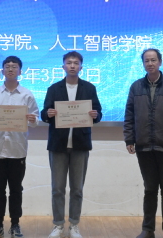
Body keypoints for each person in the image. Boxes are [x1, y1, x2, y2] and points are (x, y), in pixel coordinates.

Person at [123, 48, 163, 238]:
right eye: (146, 60)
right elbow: (129, 115)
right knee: (150, 189)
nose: (150, 63)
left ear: (160, 62)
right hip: (143, 146)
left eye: (153, 60)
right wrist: (129, 138)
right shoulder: (136, 87)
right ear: (143, 63)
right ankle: (148, 229)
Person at [40, 51, 102, 238]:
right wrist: (48, 114)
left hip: (80, 145)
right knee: (57, 189)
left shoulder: (89, 88)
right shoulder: (54, 88)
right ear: (63, 66)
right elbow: (44, 113)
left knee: (77, 189)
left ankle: (74, 224)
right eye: (69, 62)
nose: (72, 66)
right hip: (58, 145)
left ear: (81, 67)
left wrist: (95, 115)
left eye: (76, 63)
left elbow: (98, 113)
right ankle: (58, 224)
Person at [0, 56, 40, 238]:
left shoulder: (27, 95)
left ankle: (15, 224)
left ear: (20, 71)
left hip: (17, 150)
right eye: (7, 66)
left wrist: (32, 119)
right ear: (2, 71)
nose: (10, 69)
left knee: (16, 190)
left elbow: (35, 121)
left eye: (14, 67)